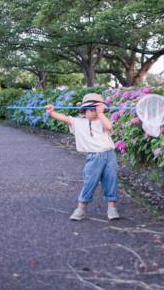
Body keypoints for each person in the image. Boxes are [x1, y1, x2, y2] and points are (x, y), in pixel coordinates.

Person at [45, 93, 120, 221]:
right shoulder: (78, 122)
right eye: (92, 109)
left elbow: (109, 127)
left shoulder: (103, 121)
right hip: (94, 157)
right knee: (89, 181)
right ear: (84, 110)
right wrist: (52, 112)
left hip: (109, 155)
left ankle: (112, 208)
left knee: (111, 180)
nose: (95, 112)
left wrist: (101, 114)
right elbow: (63, 118)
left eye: (97, 109)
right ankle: (81, 208)